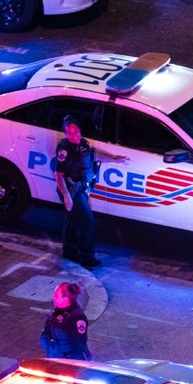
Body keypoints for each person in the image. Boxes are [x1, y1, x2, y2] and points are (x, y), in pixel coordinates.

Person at [53, 115, 128, 270]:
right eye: (71, 133)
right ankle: (87, 258)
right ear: (66, 134)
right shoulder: (64, 151)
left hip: (81, 189)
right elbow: (58, 176)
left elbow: (93, 157)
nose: (75, 135)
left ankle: (69, 252)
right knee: (87, 223)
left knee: (73, 221)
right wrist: (67, 197)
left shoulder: (84, 144)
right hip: (71, 191)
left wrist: (114, 159)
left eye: (77, 132)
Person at [39, 281, 92, 359]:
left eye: (56, 296)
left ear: (66, 300)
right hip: (55, 358)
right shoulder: (58, 312)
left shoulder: (76, 318)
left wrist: (71, 366)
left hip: (68, 362)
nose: (53, 297)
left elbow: (79, 346)